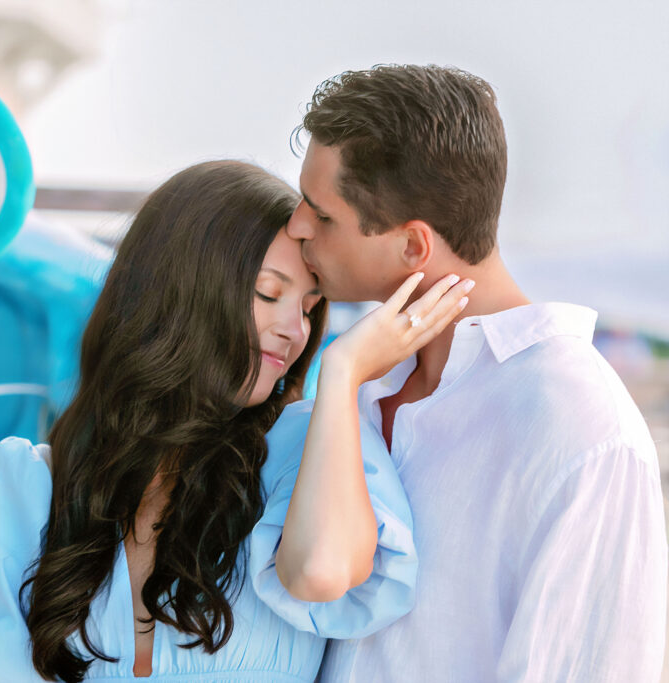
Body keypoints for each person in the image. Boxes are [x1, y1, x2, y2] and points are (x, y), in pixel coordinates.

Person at [0, 160, 470, 682]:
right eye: (267, 293)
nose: (293, 330)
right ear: (182, 292)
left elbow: (321, 572)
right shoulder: (32, 486)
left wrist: (344, 371)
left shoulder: (309, 449)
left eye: (307, 307)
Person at [283, 64, 668, 682]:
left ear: (414, 247)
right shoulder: (357, 381)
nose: (297, 225)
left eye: (322, 216)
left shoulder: (582, 429)